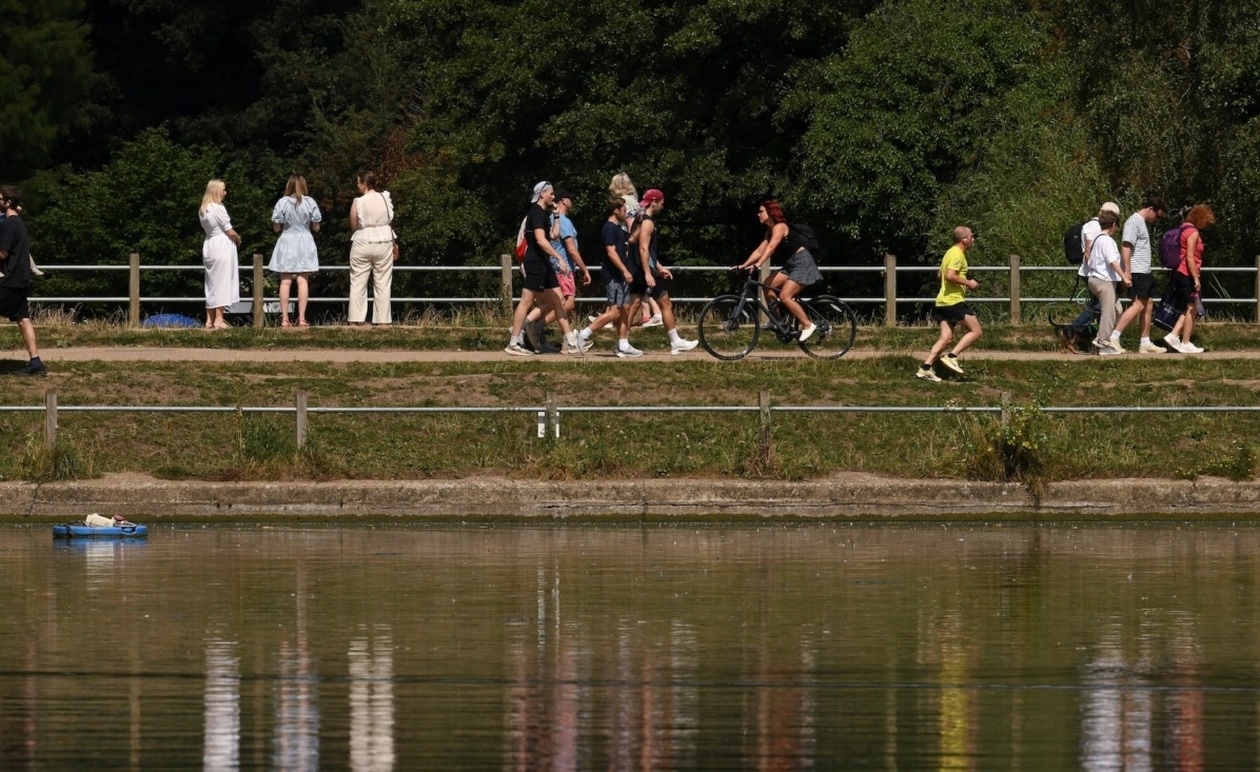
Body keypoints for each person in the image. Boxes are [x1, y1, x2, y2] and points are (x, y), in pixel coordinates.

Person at [504, 181, 586, 356]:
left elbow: (553, 237)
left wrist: (556, 217)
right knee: (526, 301)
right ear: (542, 194)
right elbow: (541, 241)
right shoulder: (536, 213)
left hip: (545, 263)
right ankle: (514, 341)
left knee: (558, 301)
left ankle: (570, 341)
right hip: (536, 262)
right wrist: (558, 258)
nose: (553, 196)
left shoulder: (544, 214)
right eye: (551, 193)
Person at [735, 200, 823, 341]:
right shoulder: (769, 232)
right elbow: (760, 250)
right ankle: (778, 322)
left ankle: (807, 324)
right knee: (767, 284)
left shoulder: (780, 227)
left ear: (771, 213)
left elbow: (771, 248)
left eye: (761, 211)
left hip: (802, 263)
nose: (758, 214)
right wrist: (743, 264)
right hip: (791, 265)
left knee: (785, 296)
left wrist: (757, 264)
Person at [524, 189, 591, 353]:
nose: (572, 202)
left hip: (558, 267)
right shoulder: (564, 221)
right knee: (565, 303)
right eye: (570, 199)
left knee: (556, 303)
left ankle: (565, 338)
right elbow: (571, 249)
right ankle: (529, 326)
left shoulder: (556, 218)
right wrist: (584, 269)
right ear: (564, 201)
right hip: (562, 269)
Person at [631, 189, 697, 355]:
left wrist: (659, 267)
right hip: (646, 271)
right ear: (654, 202)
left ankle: (619, 341)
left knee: (631, 307)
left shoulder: (640, 221)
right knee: (666, 304)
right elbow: (643, 249)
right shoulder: (647, 222)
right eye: (661, 204)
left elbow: (649, 251)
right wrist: (648, 273)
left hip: (643, 269)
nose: (662, 207)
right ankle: (675, 342)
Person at [576, 197, 642, 356]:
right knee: (614, 312)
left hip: (620, 276)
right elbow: (611, 252)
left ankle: (623, 344)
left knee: (625, 309)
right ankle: (583, 334)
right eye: (624, 210)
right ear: (616, 210)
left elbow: (632, 239)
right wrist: (624, 270)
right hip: (613, 275)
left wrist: (640, 222)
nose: (626, 213)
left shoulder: (618, 229)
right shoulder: (608, 228)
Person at [916, 226, 980, 381]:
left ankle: (925, 368)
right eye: (972, 236)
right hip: (953, 301)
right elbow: (950, 275)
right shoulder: (958, 254)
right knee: (976, 331)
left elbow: (940, 275)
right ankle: (952, 356)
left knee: (946, 338)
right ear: (964, 239)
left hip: (942, 302)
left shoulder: (949, 253)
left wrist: (959, 281)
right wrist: (968, 283)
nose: (973, 239)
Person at [1108, 196, 1167, 354]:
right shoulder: (1133, 222)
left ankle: (1145, 341)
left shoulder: (1141, 223)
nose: (1157, 220)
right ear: (1150, 209)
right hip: (1137, 271)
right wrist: (1127, 271)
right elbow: (1126, 246)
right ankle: (1114, 337)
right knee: (1138, 305)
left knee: (1148, 304)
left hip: (1144, 270)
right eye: (1157, 215)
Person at [0, 186, 46, 376]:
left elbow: (2, 253)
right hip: (20, 279)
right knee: (23, 320)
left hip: (10, 280)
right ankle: (36, 363)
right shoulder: (18, 222)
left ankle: (36, 364)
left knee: (23, 320)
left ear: (7, 202)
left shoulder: (10, 224)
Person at [269, 174, 322, 328]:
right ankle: (302, 318)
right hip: (305, 240)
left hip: (287, 239)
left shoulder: (282, 202)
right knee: (303, 280)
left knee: (285, 280)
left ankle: (285, 319)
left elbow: (276, 227)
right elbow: (316, 226)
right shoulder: (310, 202)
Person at [610, 173, 662, 327]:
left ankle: (614, 316)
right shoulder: (634, 201)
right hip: (635, 247)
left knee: (631, 284)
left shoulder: (624, 202)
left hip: (629, 247)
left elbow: (633, 228)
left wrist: (628, 244)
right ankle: (645, 316)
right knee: (638, 291)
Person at [1164, 204, 1215, 354]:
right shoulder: (1193, 232)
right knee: (1192, 307)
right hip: (1187, 273)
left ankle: (1174, 335)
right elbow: (1190, 257)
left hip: (1180, 272)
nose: (1206, 226)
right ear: (1201, 218)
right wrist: (1196, 278)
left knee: (1188, 307)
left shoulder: (1183, 228)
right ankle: (1184, 341)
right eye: (1206, 222)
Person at [348, 172, 396, 325]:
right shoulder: (385, 198)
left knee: (358, 281)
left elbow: (354, 225)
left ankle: (356, 319)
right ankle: (383, 321)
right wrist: (394, 243)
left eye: (358, 182)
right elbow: (389, 221)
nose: (357, 185)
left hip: (363, 240)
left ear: (364, 184)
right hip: (384, 239)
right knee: (383, 282)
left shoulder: (358, 202)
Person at [198, 179, 242, 330]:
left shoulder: (203, 209)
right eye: (223, 189)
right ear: (217, 191)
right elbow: (228, 230)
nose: (225, 192)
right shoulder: (218, 208)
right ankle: (219, 319)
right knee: (222, 282)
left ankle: (209, 320)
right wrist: (238, 239)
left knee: (211, 283)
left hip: (209, 244)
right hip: (221, 245)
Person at [1072, 202, 1122, 327]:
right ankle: (1076, 328)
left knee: (1100, 306)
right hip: (1095, 273)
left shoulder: (1093, 225)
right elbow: (1089, 251)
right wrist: (1095, 270)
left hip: (1093, 272)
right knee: (1100, 306)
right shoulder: (1095, 226)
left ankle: (1089, 333)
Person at [1086, 210, 1127, 355]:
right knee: (1109, 313)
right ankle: (1103, 344)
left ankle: (1100, 337)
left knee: (1117, 310)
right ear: (1113, 225)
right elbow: (1112, 261)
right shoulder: (1107, 241)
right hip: (1104, 281)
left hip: (1095, 279)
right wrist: (1124, 276)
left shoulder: (1097, 239)